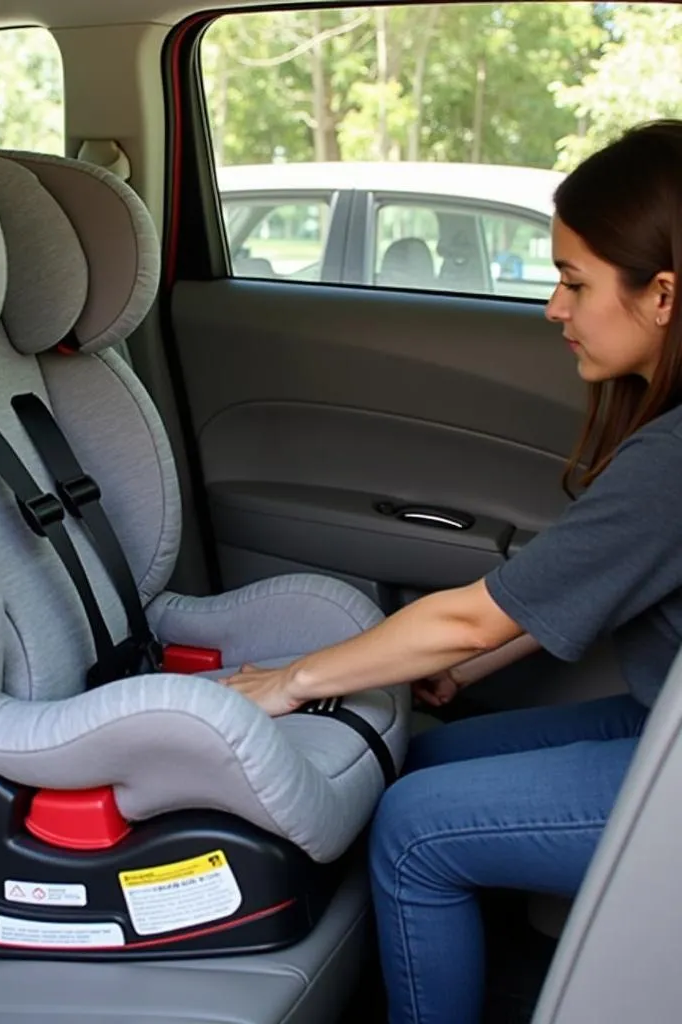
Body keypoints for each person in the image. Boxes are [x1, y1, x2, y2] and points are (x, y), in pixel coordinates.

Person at [224, 119, 682, 1024]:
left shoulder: (673, 458)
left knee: (414, 830)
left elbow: (475, 617)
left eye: (573, 282)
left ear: (662, 294)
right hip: (660, 716)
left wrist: (289, 683)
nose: (555, 308)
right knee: (424, 759)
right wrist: (455, 671)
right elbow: (554, 591)